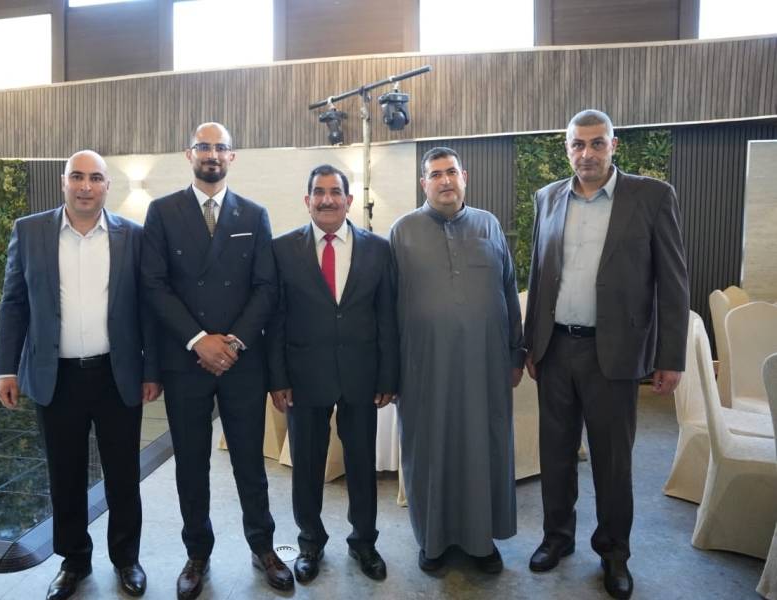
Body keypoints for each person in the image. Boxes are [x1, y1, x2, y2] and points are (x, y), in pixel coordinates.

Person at [523, 109, 689, 599]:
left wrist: (670, 356)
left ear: (614, 146)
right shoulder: (548, 198)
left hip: (613, 353)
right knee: (555, 454)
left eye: (597, 143)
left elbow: (673, 283)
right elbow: (539, 274)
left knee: (612, 461)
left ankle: (614, 552)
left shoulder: (651, 197)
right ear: (567, 148)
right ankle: (557, 537)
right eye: (578, 144)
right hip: (556, 349)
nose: (587, 153)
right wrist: (531, 343)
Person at [0, 150, 160, 600]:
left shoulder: (133, 236)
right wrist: (6, 368)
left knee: (123, 475)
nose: (86, 186)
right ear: (63, 181)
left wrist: (151, 369)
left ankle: (126, 559)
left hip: (116, 375)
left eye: (95, 178)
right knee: (64, 475)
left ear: (107, 185)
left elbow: (147, 309)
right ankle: (74, 561)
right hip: (56, 377)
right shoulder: (29, 231)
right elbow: (14, 303)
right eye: (77, 177)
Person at [141, 122, 291, 599]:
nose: (212, 154)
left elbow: (266, 287)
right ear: (189, 154)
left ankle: (263, 547)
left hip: (241, 361)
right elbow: (154, 285)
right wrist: (198, 340)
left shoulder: (255, 213)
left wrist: (234, 343)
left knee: (250, 463)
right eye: (203, 146)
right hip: (185, 359)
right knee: (190, 465)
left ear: (232, 156)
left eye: (220, 147)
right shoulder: (162, 212)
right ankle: (197, 554)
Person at [389, 147, 524, 573]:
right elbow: (386, 307)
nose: (445, 180)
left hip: (485, 366)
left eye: (451, 172)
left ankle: (482, 541)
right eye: (435, 174)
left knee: (483, 449)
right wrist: (389, 372)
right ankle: (433, 542)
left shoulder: (488, 224)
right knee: (429, 451)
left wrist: (516, 352)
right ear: (423, 183)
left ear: (464, 176)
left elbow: (508, 290)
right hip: (423, 369)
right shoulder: (402, 231)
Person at [267, 164, 398, 584]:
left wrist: (388, 377)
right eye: (319, 192)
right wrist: (277, 378)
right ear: (307, 200)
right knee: (306, 466)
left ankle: (364, 542)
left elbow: (387, 316)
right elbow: (275, 319)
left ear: (349, 199)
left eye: (335, 192)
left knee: (361, 464)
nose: (327, 200)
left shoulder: (378, 249)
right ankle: (310, 543)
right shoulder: (282, 249)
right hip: (303, 377)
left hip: (362, 376)